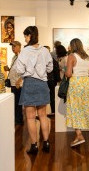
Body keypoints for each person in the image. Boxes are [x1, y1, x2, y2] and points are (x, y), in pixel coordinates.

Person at [16, 26, 53, 154]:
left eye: (25, 36)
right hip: (43, 84)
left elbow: (19, 70)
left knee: (31, 117)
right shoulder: (45, 51)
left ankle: (34, 146)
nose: (25, 39)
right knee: (43, 116)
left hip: (30, 83)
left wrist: (27, 71)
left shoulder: (25, 52)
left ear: (30, 36)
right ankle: (47, 143)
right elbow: (50, 68)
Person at [65, 38, 89, 147]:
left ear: (72, 46)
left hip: (76, 84)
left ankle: (79, 135)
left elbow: (69, 74)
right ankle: (81, 132)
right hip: (87, 84)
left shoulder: (71, 56)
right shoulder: (87, 57)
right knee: (85, 106)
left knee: (75, 108)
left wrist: (66, 71)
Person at [4, 41, 23, 125]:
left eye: (14, 46)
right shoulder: (14, 57)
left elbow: (24, 70)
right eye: (12, 47)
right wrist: (8, 69)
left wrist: (19, 80)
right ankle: (17, 118)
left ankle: (19, 119)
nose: (13, 48)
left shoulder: (22, 56)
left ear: (19, 46)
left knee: (18, 102)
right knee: (15, 101)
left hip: (18, 83)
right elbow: (15, 69)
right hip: (13, 82)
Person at [44, 45, 61, 115]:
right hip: (50, 81)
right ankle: (52, 111)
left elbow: (56, 71)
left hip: (48, 81)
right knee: (51, 97)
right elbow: (56, 71)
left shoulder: (46, 60)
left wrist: (57, 80)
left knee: (50, 97)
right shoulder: (53, 60)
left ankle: (50, 111)